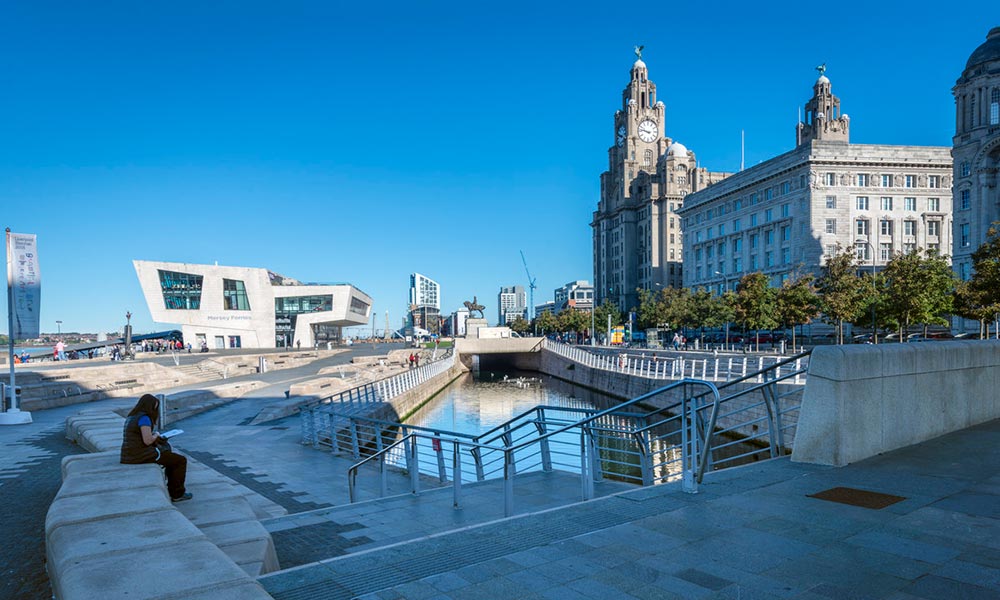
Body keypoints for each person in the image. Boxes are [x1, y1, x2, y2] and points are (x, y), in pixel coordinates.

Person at [120, 394, 191, 502]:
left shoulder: (132, 416)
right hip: (140, 455)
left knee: (171, 459)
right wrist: (156, 435)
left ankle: (173, 490)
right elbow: (147, 440)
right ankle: (177, 494)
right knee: (180, 461)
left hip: (130, 454)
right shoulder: (144, 418)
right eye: (155, 407)